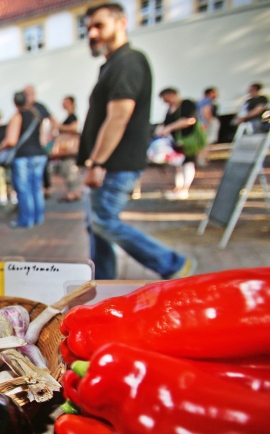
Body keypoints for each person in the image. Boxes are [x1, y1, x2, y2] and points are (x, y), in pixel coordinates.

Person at [78, 3, 194, 280]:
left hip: (115, 164)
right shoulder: (112, 64)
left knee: (103, 222)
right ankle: (102, 282)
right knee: (97, 225)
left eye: (99, 25)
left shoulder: (128, 61)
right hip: (110, 163)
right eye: (89, 28)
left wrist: (98, 161)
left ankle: (172, 264)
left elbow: (119, 116)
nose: (92, 33)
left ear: (121, 23)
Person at [0, 91, 47, 229]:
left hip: (23, 156)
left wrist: (2, 145)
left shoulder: (17, 116)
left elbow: (11, 140)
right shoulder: (36, 115)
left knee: (24, 189)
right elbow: (43, 138)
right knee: (36, 188)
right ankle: (38, 217)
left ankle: (26, 219)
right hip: (39, 154)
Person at [156, 87, 199, 200]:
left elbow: (190, 120)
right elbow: (165, 122)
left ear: (172, 95)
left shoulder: (186, 104)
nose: (165, 102)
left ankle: (185, 189)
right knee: (178, 164)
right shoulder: (171, 108)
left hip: (187, 140)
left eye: (166, 99)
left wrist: (170, 128)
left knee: (188, 162)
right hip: (175, 141)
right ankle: (178, 188)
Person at [23, 85, 55, 197]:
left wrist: (50, 136)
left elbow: (52, 120)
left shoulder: (40, 107)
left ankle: (47, 188)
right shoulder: (22, 108)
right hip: (28, 149)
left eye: (28, 93)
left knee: (42, 171)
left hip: (39, 147)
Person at [50, 96, 82, 202]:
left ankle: (75, 192)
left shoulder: (73, 117)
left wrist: (59, 127)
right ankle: (71, 192)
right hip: (65, 151)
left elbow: (74, 128)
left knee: (71, 171)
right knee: (66, 171)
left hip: (70, 150)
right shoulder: (68, 116)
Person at [196, 87, 219, 166]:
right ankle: (202, 160)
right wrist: (209, 122)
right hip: (206, 124)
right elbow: (206, 112)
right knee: (208, 142)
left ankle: (199, 159)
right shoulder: (207, 101)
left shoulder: (199, 101)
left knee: (202, 142)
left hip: (200, 124)